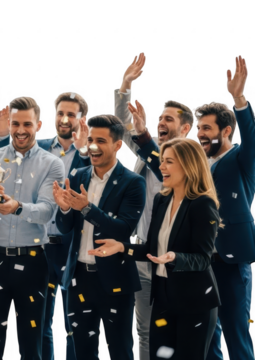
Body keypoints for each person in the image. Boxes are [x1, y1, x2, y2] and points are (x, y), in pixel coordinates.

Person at [90, 137, 221, 359]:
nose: (161, 167)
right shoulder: (162, 200)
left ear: (188, 165)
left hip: (195, 303)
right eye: (162, 161)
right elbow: (151, 250)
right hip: (162, 301)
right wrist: (121, 247)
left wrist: (174, 258)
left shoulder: (202, 204)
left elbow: (203, 258)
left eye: (168, 162)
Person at [0, 91, 90, 360]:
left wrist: (83, 151)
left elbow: (85, 186)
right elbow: (6, 165)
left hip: (71, 247)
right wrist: (2, 136)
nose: (64, 119)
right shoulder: (40, 148)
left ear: (82, 119)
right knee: (40, 322)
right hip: (39, 247)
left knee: (74, 323)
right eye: (60, 113)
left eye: (71, 114)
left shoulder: (88, 152)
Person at [113, 52, 194, 360]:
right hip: (143, 258)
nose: (160, 123)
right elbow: (123, 124)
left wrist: (144, 134)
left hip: (175, 262)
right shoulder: (147, 150)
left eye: (168, 120)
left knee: (178, 329)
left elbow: (161, 164)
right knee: (145, 330)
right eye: (159, 118)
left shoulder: (188, 160)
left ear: (185, 129)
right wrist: (126, 86)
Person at [0, 96, 65, 360]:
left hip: (34, 261)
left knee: (32, 340)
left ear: (38, 124)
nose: (20, 130)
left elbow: (47, 211)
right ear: (9, 124)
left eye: (27, 124)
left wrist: (17, 207)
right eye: (15, 123)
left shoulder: (52, 164)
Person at [53, 114, 145, 360]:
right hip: (78, 278)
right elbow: (65, 228)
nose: (92, 146)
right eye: (90, 139)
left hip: (116, 281)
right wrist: (62, 208)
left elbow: (122, 230)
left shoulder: (134, 183)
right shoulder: (78, 175)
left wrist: (86, 208)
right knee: (81, 351)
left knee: (120, 351)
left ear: (118, 145)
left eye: (101, 141)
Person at [194, 55, 255, 360]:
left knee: (236, 331)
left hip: (232, 263)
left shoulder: (242, 159)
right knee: (206, 336)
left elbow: (253, 137)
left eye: (206, 128)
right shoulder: (197, 163)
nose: (200, 134)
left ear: (227, 130)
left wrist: (239, 99)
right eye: (198, 128)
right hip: (200, 261)